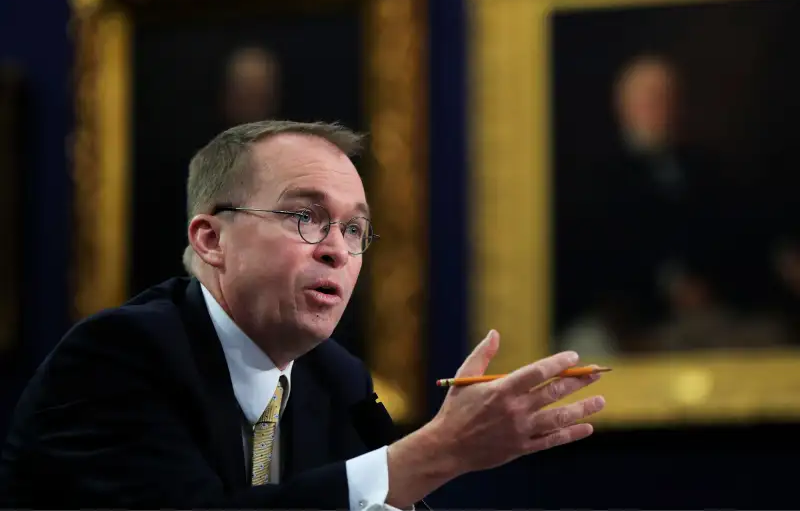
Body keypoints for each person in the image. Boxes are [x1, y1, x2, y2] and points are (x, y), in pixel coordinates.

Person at [0, 120, 605, 509]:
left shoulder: (334, 379)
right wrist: (436, 451)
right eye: (304, 217)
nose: (337, 249)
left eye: (356, 229)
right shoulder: (116, 358)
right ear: (212, 240)